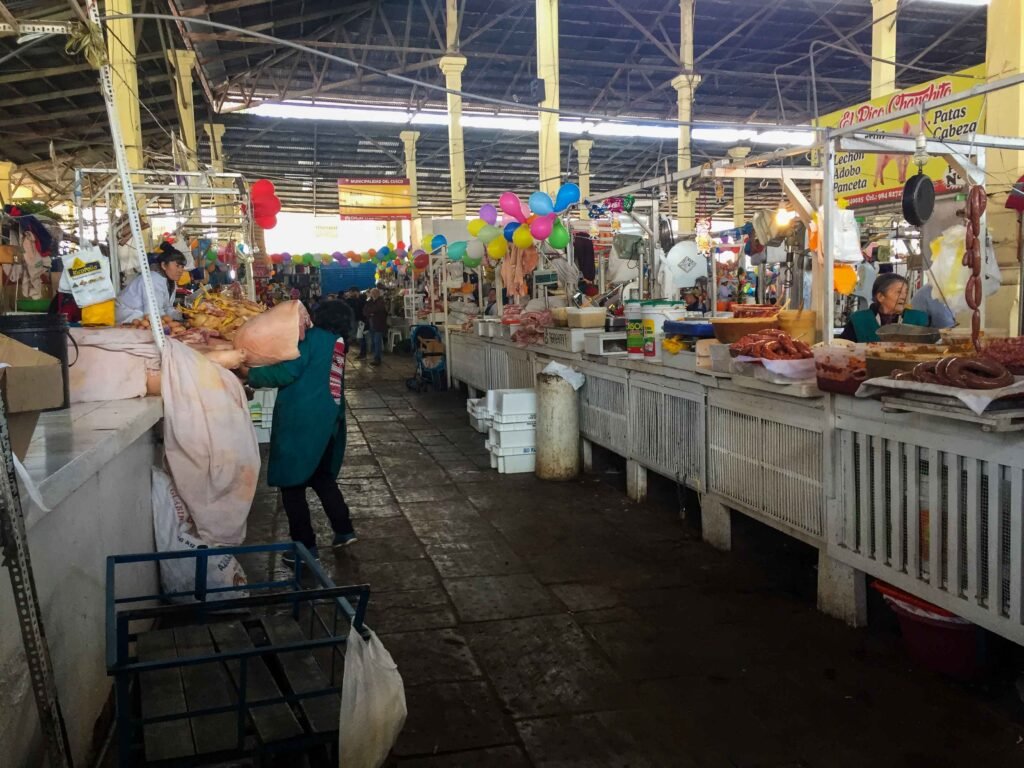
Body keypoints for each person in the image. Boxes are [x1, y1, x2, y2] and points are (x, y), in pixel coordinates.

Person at [245, 300, 358, 561]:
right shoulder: (338, 342)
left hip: (302, 420)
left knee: (291, 484)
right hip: (329, 419)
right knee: (321, 477)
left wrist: (249, 374)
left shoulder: (313, 338)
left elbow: (287, 372)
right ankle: (344, 530)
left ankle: (305, 547)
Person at [840, 273, 929, 342]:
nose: (904, 296)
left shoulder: (919, 319)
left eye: (905, 292)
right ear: (880, 297)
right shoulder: (860, 320)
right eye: (898, 292)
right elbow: (845, 348)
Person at [115, 250, 186, 324]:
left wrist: (182, 315)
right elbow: (153, 312)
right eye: (177, 266)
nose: (180, 270)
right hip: (128, 315)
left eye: (182, 267)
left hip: (141, 315)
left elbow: (167, 308)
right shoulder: (153, 278)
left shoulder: (170, 281)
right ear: (164, 265)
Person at [363, 288, 388, 366]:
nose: (373, 294)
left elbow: (378, 309)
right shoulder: (369, 301)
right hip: (371, 325)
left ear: (378, 293)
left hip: (379, 325)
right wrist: (371, 313)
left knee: (377, 342)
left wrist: (370, 312)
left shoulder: (381, 301)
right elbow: (364, 310)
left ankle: (377, 359)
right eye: (372, 293)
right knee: (374, 342)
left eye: (375, 293)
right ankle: (375, 357)